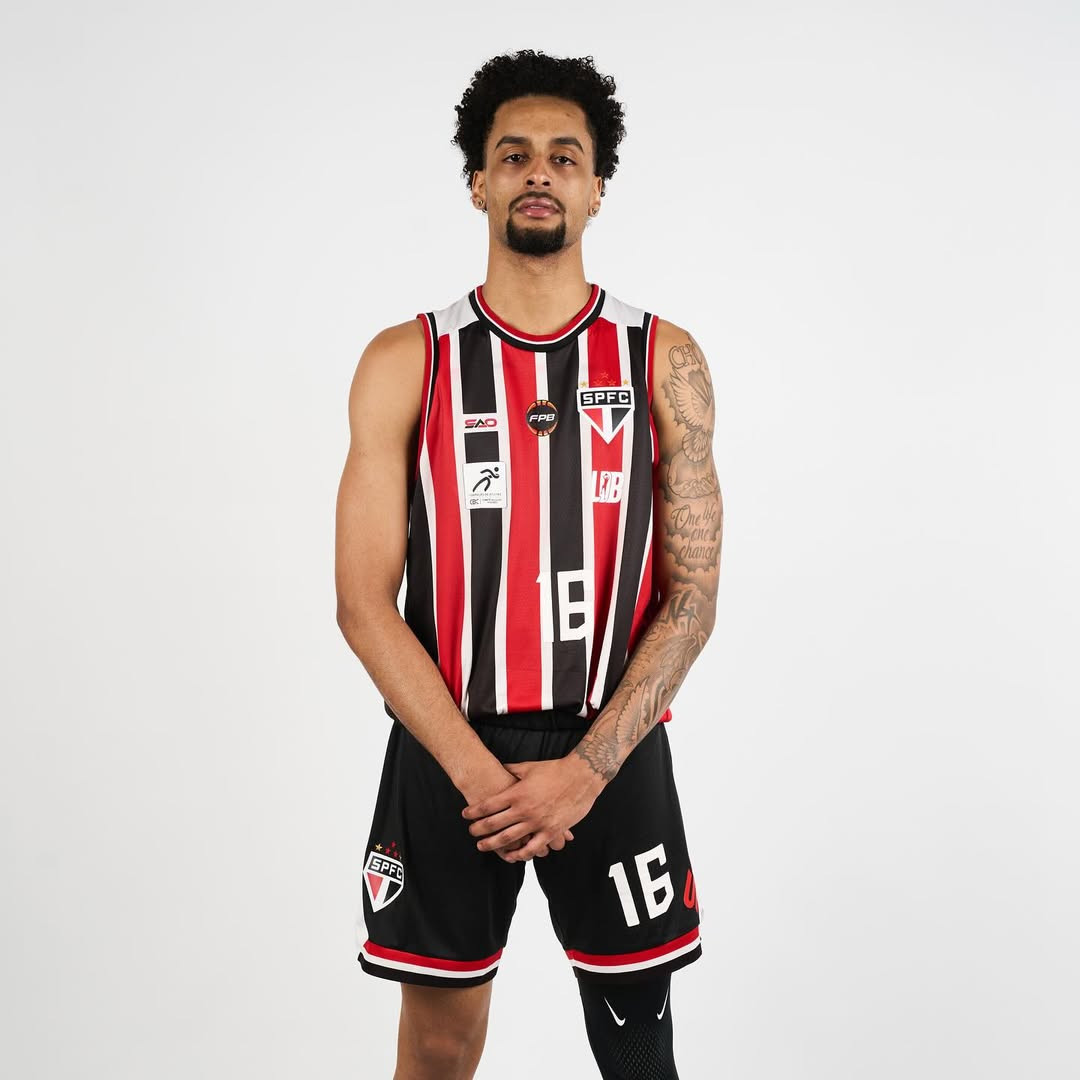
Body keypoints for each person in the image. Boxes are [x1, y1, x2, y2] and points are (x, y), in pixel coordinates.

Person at [335, 48, 723, 1080]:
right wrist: (486, 780)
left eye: (564, 156)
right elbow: (364, 603)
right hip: (449, 744)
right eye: (512, 156)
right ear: (478, 183)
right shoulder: (407, 359)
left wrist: (584, 775)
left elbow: (691, 599)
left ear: (597, 188)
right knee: (439, 1043)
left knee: (637, 1043)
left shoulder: (664, 359)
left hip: (612, 744)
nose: (538, 172)